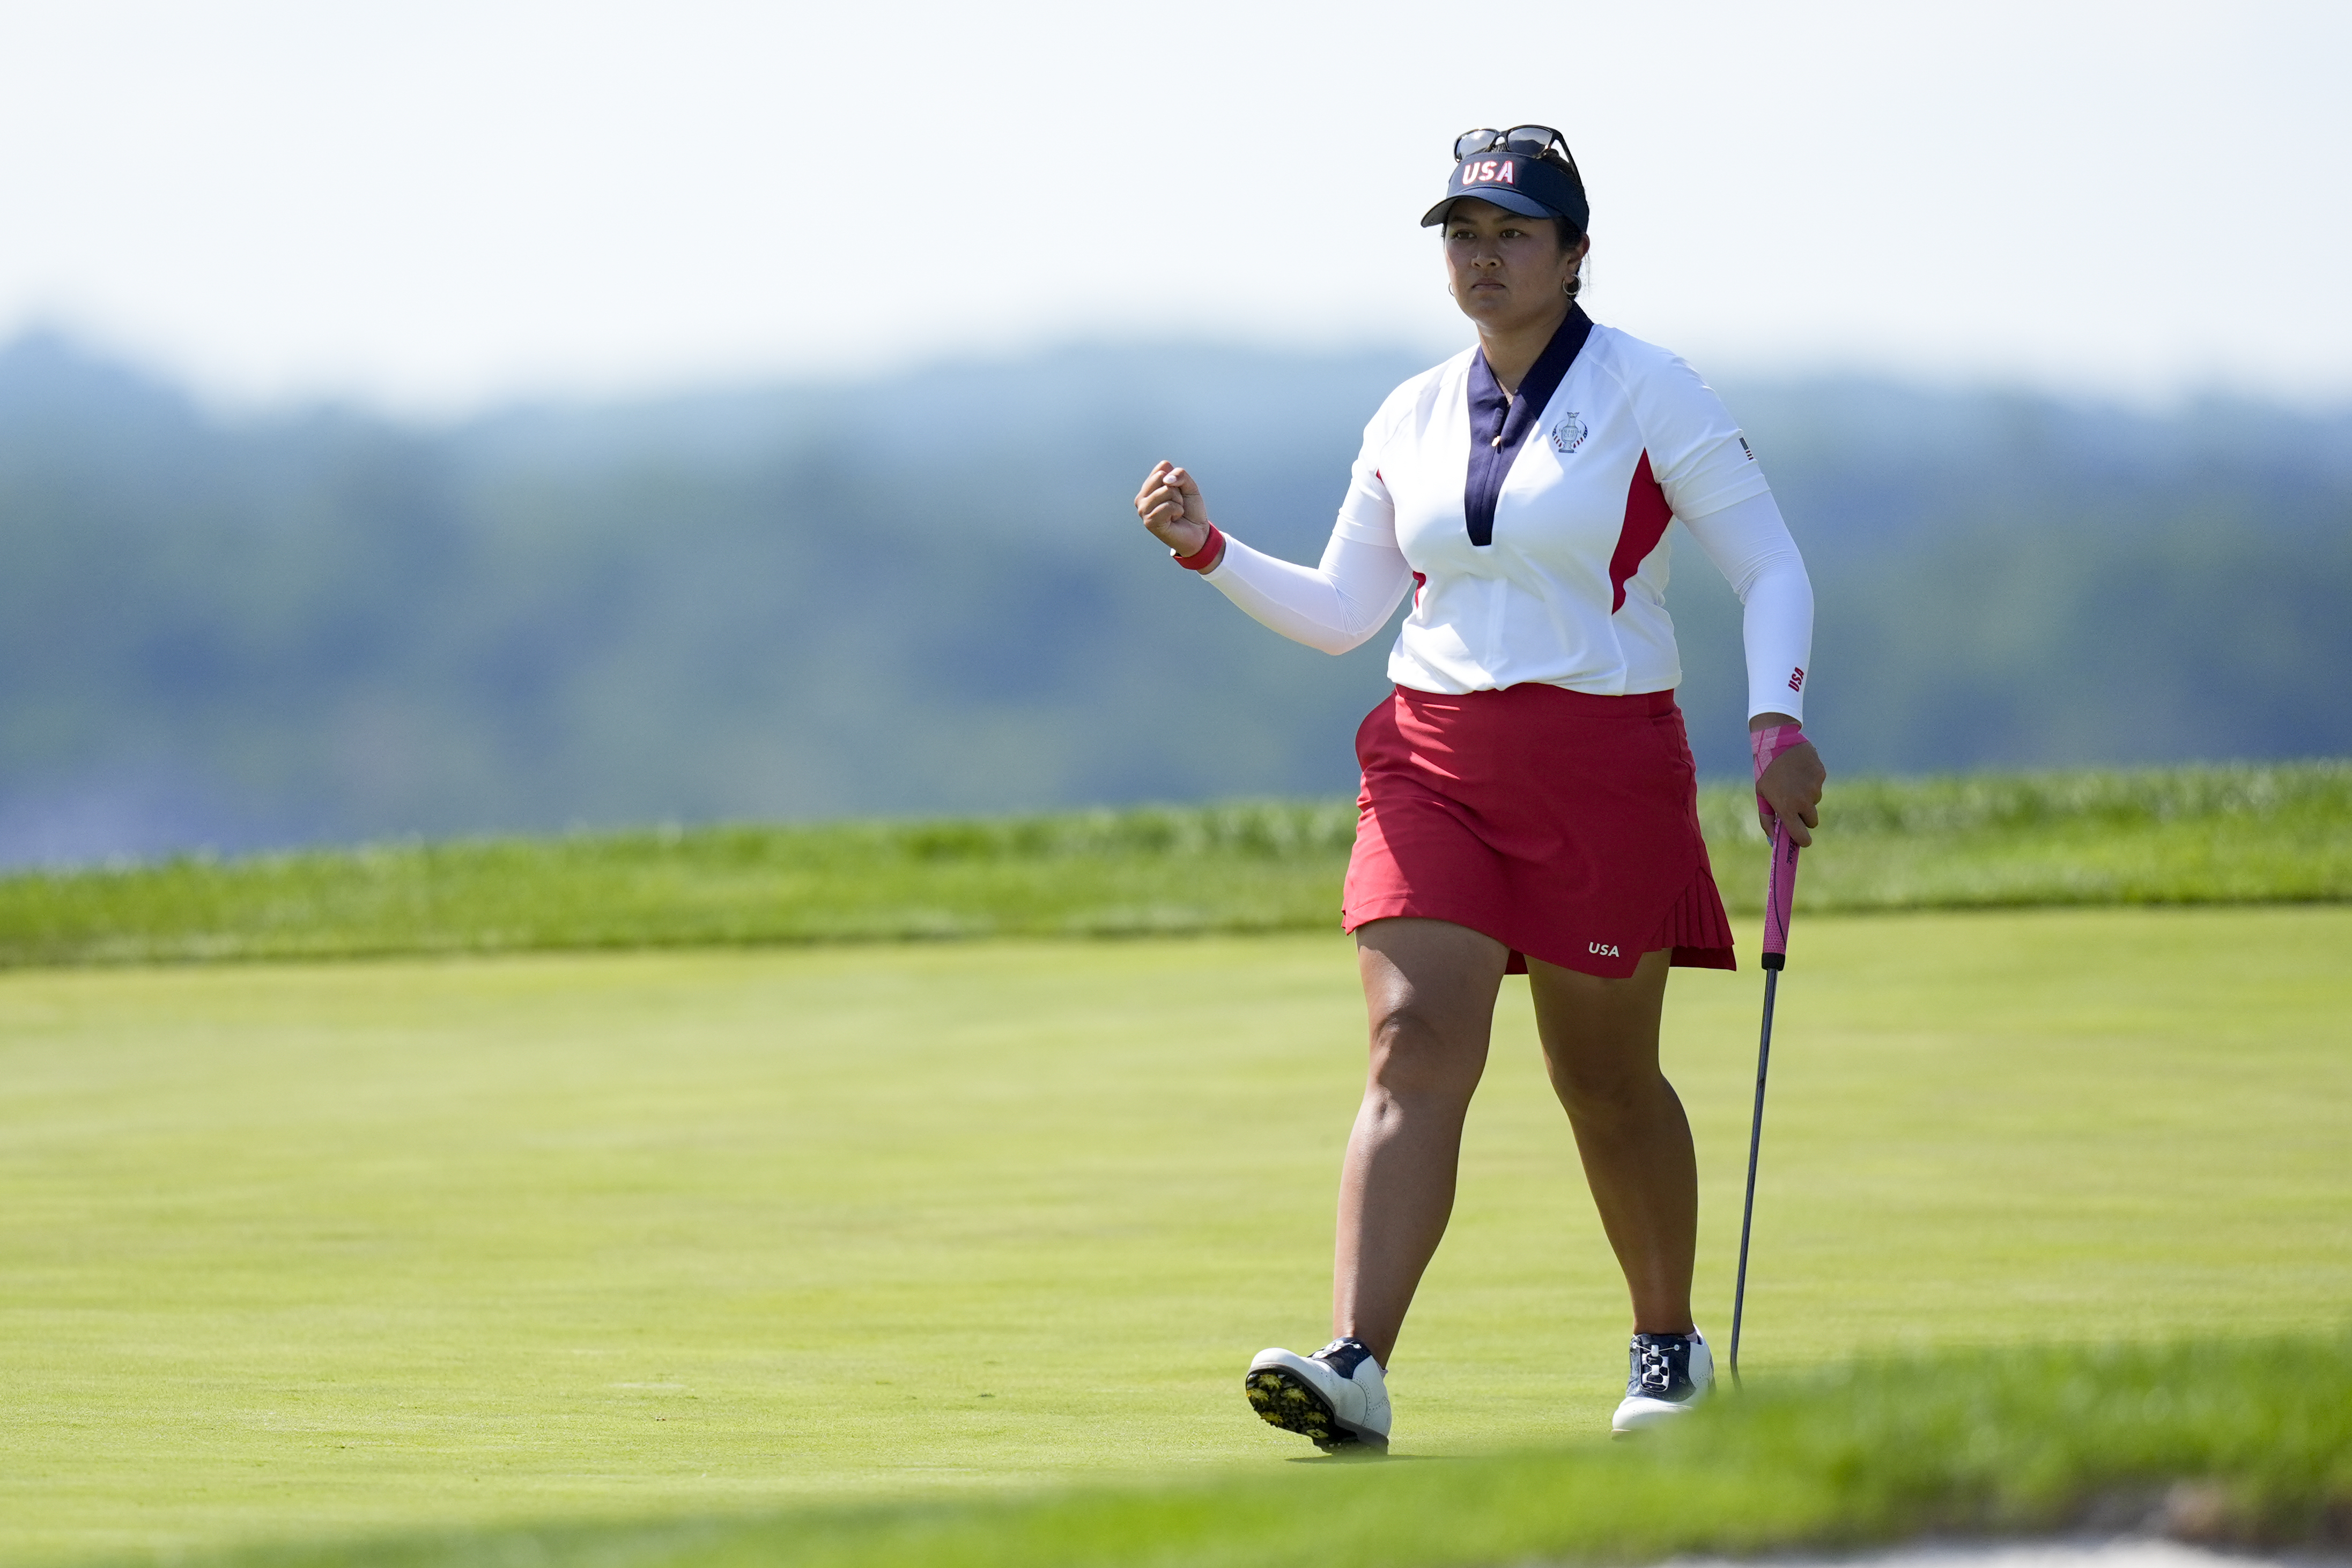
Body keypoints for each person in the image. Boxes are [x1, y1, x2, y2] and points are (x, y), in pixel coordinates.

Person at [1130, 125, 1827, 1450]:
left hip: (1605, 767)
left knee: (1604, 1079)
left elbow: (1771, 566)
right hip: (1432, 759)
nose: (1484, 256)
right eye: (1463, 232)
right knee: (1411, 1044)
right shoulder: (1408, 411)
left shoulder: (1650, 390)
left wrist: (1776, 718)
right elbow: (1348, 611)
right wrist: (1209, 549)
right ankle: (1357, 1363)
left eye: (1514, 232)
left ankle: (1668, 1347)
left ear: (1573, 254)